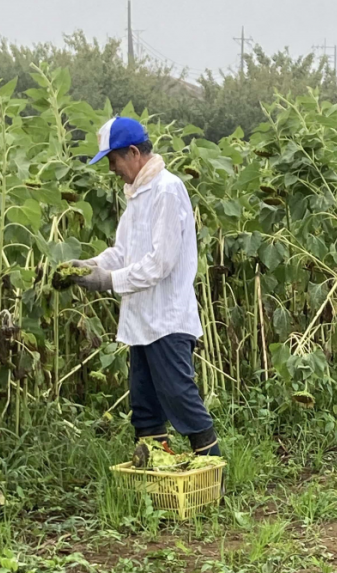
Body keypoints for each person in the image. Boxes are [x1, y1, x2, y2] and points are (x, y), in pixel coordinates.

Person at [66, 116, 221, 459]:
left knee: (180, 396)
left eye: (113, 160)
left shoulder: (167, 189)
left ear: (134, 153)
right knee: (145, 404)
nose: (111, 169)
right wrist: (89, 266)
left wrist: (107, 281)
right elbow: (122, 252)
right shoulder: (137, 195)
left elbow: (159, 263)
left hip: (166, 319)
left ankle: (212, 471)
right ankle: (157, 476)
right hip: (140, 322)